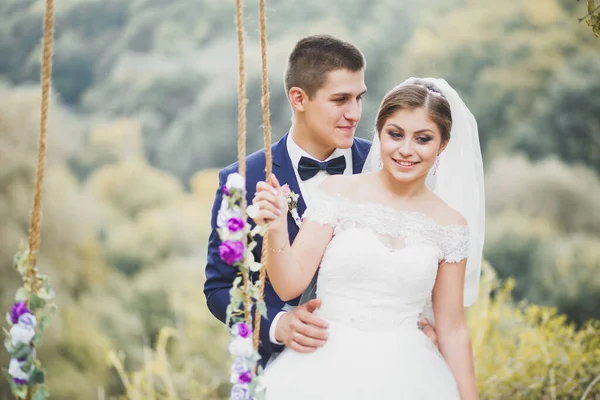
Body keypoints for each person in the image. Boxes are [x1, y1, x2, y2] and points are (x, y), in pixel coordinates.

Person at [203, 34, 438, 367]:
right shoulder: (242, 179)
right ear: (299, 98)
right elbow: (219, 287)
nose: (355, 113)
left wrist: (424, 321)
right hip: (277, 370)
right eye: (340, 99)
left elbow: (424, 249)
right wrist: (275, 326)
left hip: (379, 364)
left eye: (359, 98)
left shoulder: (387, 164)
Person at [251, 77, 485, 399]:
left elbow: (452, 327)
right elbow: (290, 284)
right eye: (395, 134)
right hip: (320, 369)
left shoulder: (451, 225)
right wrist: (276, 229)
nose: (406, 150)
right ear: (379, 133)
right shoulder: (337, 193)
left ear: (442, 145)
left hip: (409, 376)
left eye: (423, 139)